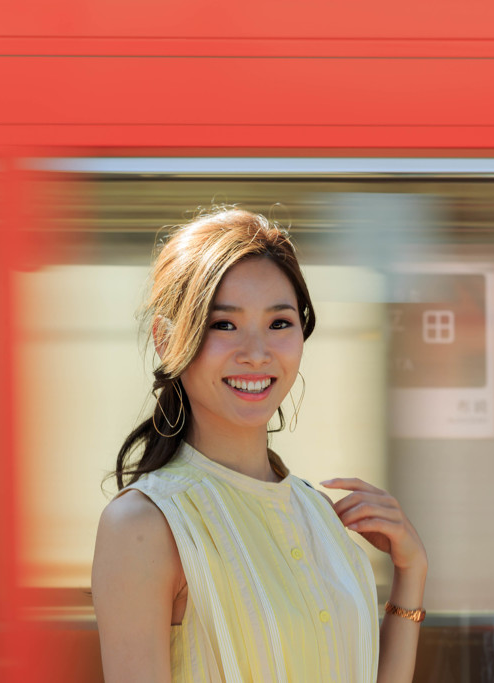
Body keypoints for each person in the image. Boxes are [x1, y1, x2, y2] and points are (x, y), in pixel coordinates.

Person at [91, 207, 428, 683]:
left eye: (279, 323)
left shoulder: (323, 517)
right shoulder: (145, 524)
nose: (256, 352)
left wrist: (410, 573)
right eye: (223, 325)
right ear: (167, 340)